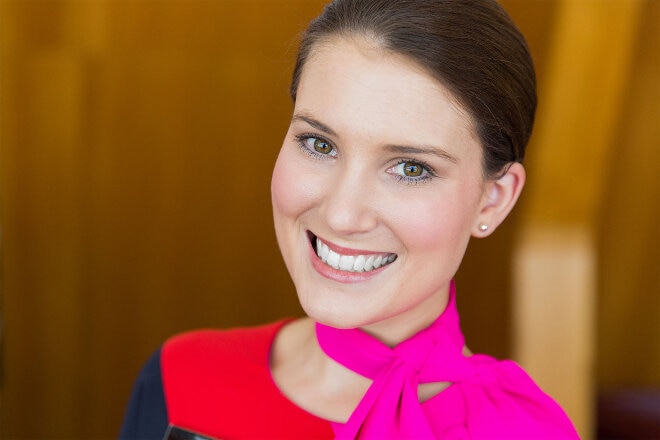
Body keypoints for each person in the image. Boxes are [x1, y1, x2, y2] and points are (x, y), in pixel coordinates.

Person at [120, 0, 579, 438]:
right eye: (320, 144)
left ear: (492, 200)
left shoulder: (522, 432)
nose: (341, 215)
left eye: (410, 168)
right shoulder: (180, 378)